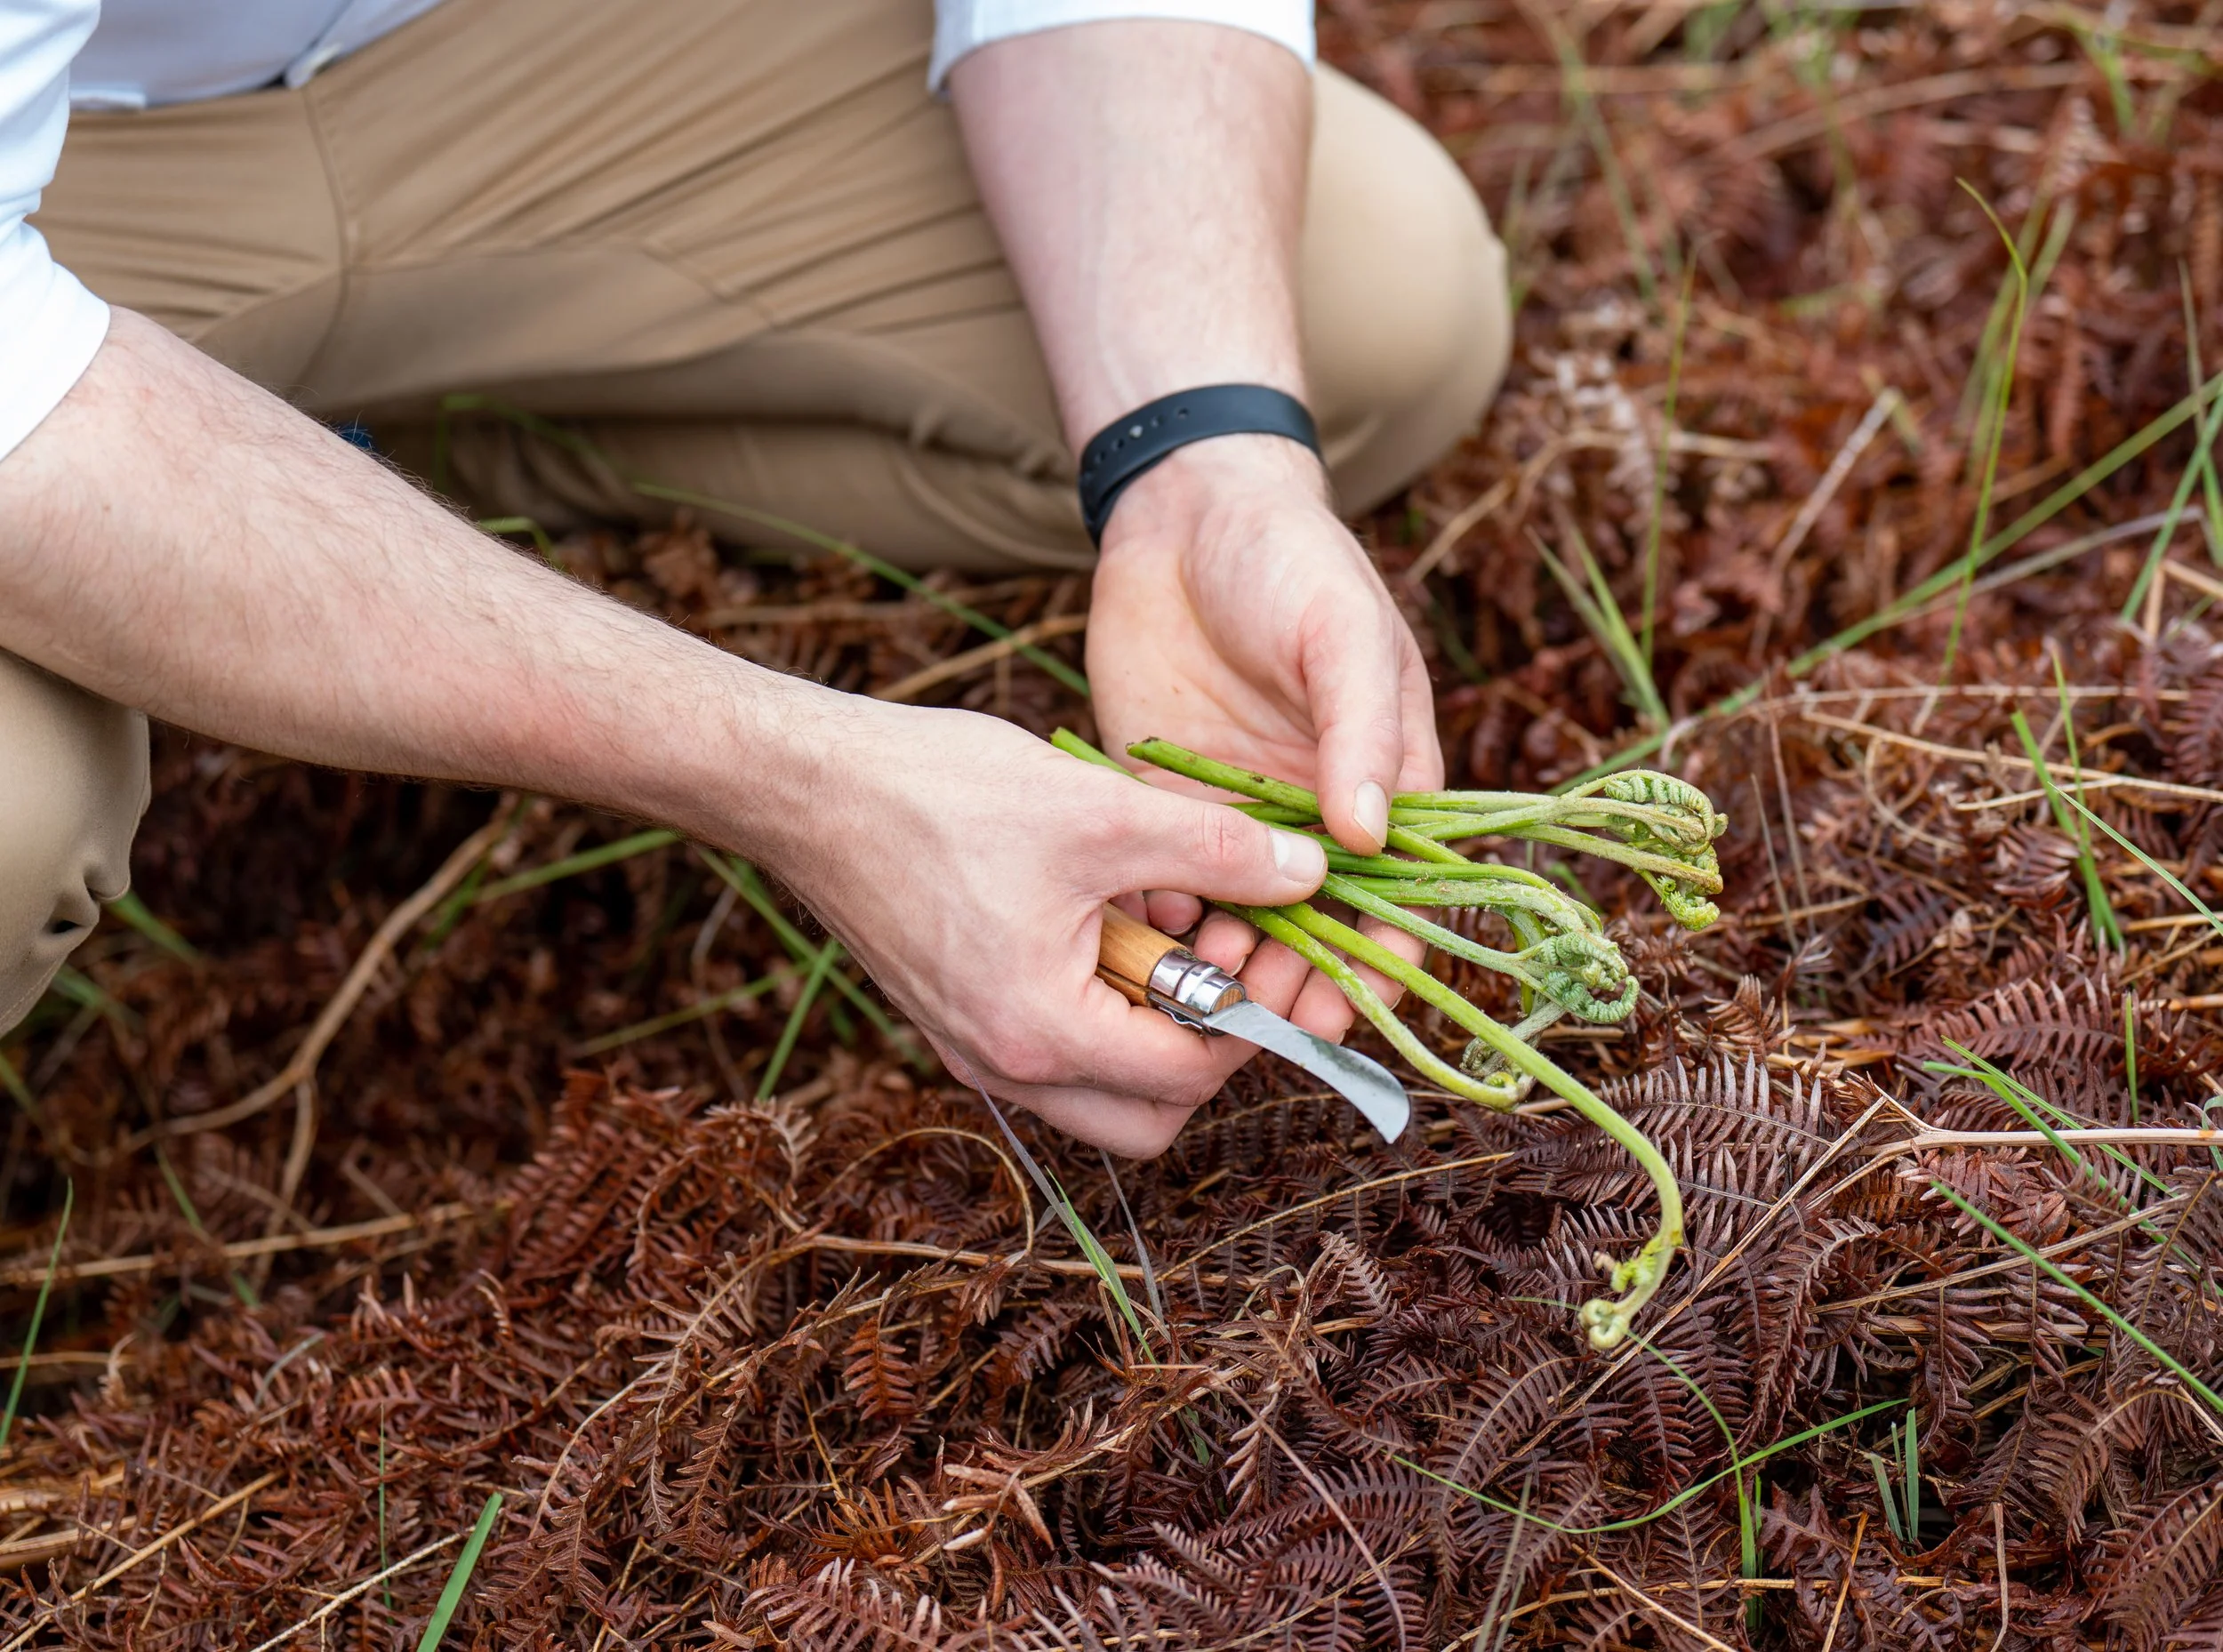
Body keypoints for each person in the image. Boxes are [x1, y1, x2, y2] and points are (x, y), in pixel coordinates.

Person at [0, 0, 1510, 1157]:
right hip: (84, 173)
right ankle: (251, 511)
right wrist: (801, 776)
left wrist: (1203, 460)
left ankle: (384, 477)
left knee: (1365, 296)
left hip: (512, 59)